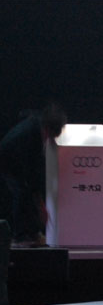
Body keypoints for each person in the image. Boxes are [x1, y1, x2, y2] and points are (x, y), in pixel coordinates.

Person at [0, 104, 66, 247]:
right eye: (49, 136)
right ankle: (20, 236)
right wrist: (41, 205)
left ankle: (32, 233)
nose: (48, 140)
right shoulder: (31, 136)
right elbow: (31, 174)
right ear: (47, 129)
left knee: (27, 194)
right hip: (8, 161)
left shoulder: (37, 121)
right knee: (21, 193)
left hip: (16, 159)